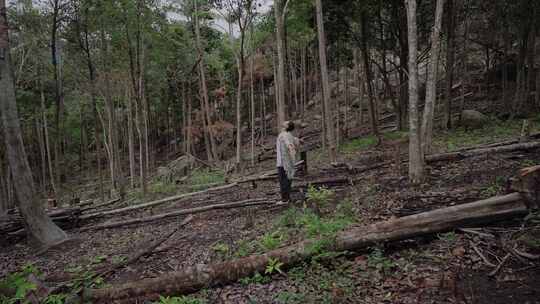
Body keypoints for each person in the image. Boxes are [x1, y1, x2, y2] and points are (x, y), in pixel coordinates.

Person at [276, 121, 300, 205]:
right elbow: (295, 140)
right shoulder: (289, 134)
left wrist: (291, 148)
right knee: (288, 179)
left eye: (285, 123)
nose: (283, 123)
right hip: (288, 162)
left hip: (283, 163)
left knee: (283, 181)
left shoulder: (284, 134)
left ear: (287, 126)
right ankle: (287, 198)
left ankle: (284, 200)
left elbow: (288, 143)